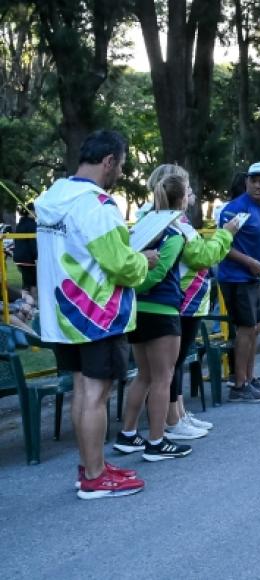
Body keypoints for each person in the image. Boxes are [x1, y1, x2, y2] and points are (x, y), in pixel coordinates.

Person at [35, 129, 157, 499]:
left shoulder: (52, 198)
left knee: (81, 391)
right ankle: (94, 476)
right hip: (97, 314)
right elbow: (121, 265)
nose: (119, 172)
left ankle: (91, 465)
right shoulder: (97, 205)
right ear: (108, 162)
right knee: (96, 395)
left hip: (61, 314)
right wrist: (144, 260)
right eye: (119, 165)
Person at [146, 164, 237, 440]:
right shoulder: (173, 223)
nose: (193, 193)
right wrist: (226, 234)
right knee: (170, 366)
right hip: (179, 300)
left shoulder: (173, 220)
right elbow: (200, 256)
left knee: (177, 361)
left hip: (185, 299)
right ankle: (171, 420)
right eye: (187, 188)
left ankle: (179, 413)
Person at [116, 174, 193, 461]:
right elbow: (157, 275)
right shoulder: (174, 235)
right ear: (181, 199)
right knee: (163, 378)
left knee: (144, 376)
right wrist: (139, 282)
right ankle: (157, 441)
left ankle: (127, 434)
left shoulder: (142, 229)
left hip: (139, 311)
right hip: (163, 312)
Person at [217, 161, 260, 402]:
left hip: (254, 275)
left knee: (255, 328)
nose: (257, 185)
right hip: (235, 277)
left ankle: (249, 377)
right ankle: (239, 385)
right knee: (245, 330)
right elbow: (223, 246)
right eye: (253, 180)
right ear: (246, 181)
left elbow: (259, 243)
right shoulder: (234, 209)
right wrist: (249, 262)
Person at [13, 202, 37, 298]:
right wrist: (36, 256)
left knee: (26, 282)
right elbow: (33, 243)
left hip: (19, 258)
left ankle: (25, 303)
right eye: (36, 211)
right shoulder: (32, 225)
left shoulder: (20, 224)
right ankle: (31, 305)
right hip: (29, 259)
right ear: (30, 211)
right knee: (33, 283)